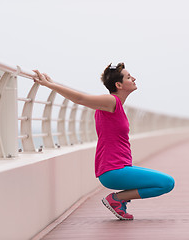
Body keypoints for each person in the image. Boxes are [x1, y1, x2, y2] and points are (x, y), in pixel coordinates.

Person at [33, 63, 175, 220]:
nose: (134, 78)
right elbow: (80, 98)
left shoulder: (115, 105)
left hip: (119, 168)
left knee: (164, 182)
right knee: (167, 183)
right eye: (129, 77)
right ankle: (116, 199)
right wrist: (50, 85)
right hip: (114, 170)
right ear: (118, 85)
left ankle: (118, 200)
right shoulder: (111, 101)